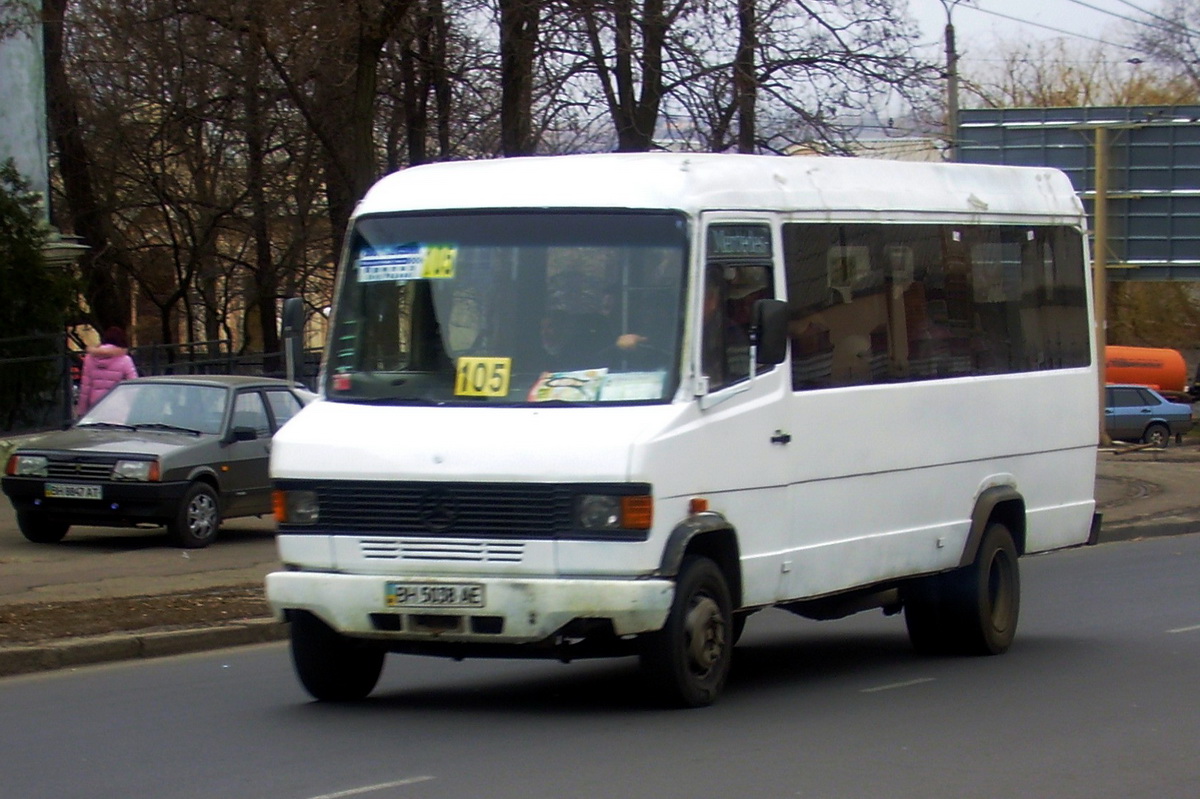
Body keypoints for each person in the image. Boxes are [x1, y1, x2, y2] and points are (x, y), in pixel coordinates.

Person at [76, 326, 139, 416]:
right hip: (117, 405)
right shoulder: (125, 359)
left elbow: (85, 387)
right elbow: (133, 386)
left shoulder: (89, 359)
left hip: (95, 404)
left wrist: (81, 411)